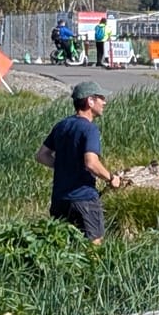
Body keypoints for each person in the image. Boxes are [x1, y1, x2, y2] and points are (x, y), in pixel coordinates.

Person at [36, 80, 127, 242]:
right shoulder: (89, 128)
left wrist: (65, 166)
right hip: (83, 199)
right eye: (100, 98)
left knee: (63, 246)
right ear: (89, 101)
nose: (104, 102)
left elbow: (41, 155)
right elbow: (91, 162)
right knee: (94, 247)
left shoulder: (62, 126)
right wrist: (111, 178)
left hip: (59, 199)